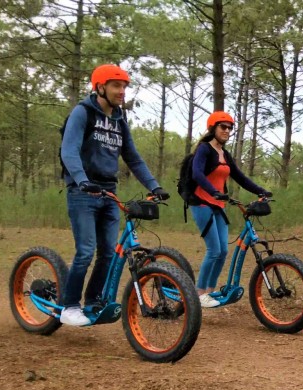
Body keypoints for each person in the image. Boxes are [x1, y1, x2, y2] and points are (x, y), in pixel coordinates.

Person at [59, 64, 169, 326]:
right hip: (82, 191)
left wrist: (154, 186)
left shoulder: (119, 119)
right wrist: (82, 180)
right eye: (116, 86)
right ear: (100, 87)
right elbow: (69, 151)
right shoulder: (82, 112)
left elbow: (132, 157)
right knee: (85, 251)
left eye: (124, 87)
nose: (122, 92)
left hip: (109, 192)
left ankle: (94, 301)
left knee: (109, 252)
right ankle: (69, 306)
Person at [190, 111, 271, 308]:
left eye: (230, 127)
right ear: (213, 129)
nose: (227, 130)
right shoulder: (204, 149)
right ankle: (199, 293)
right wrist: (213, 191)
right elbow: (197, 173)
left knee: (224, 250)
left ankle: (210, 291)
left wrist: (260, 190)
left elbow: (240, 177)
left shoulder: (224, 154)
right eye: (223, 127)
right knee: (214, 249)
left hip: (218, 205)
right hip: (202, 203)